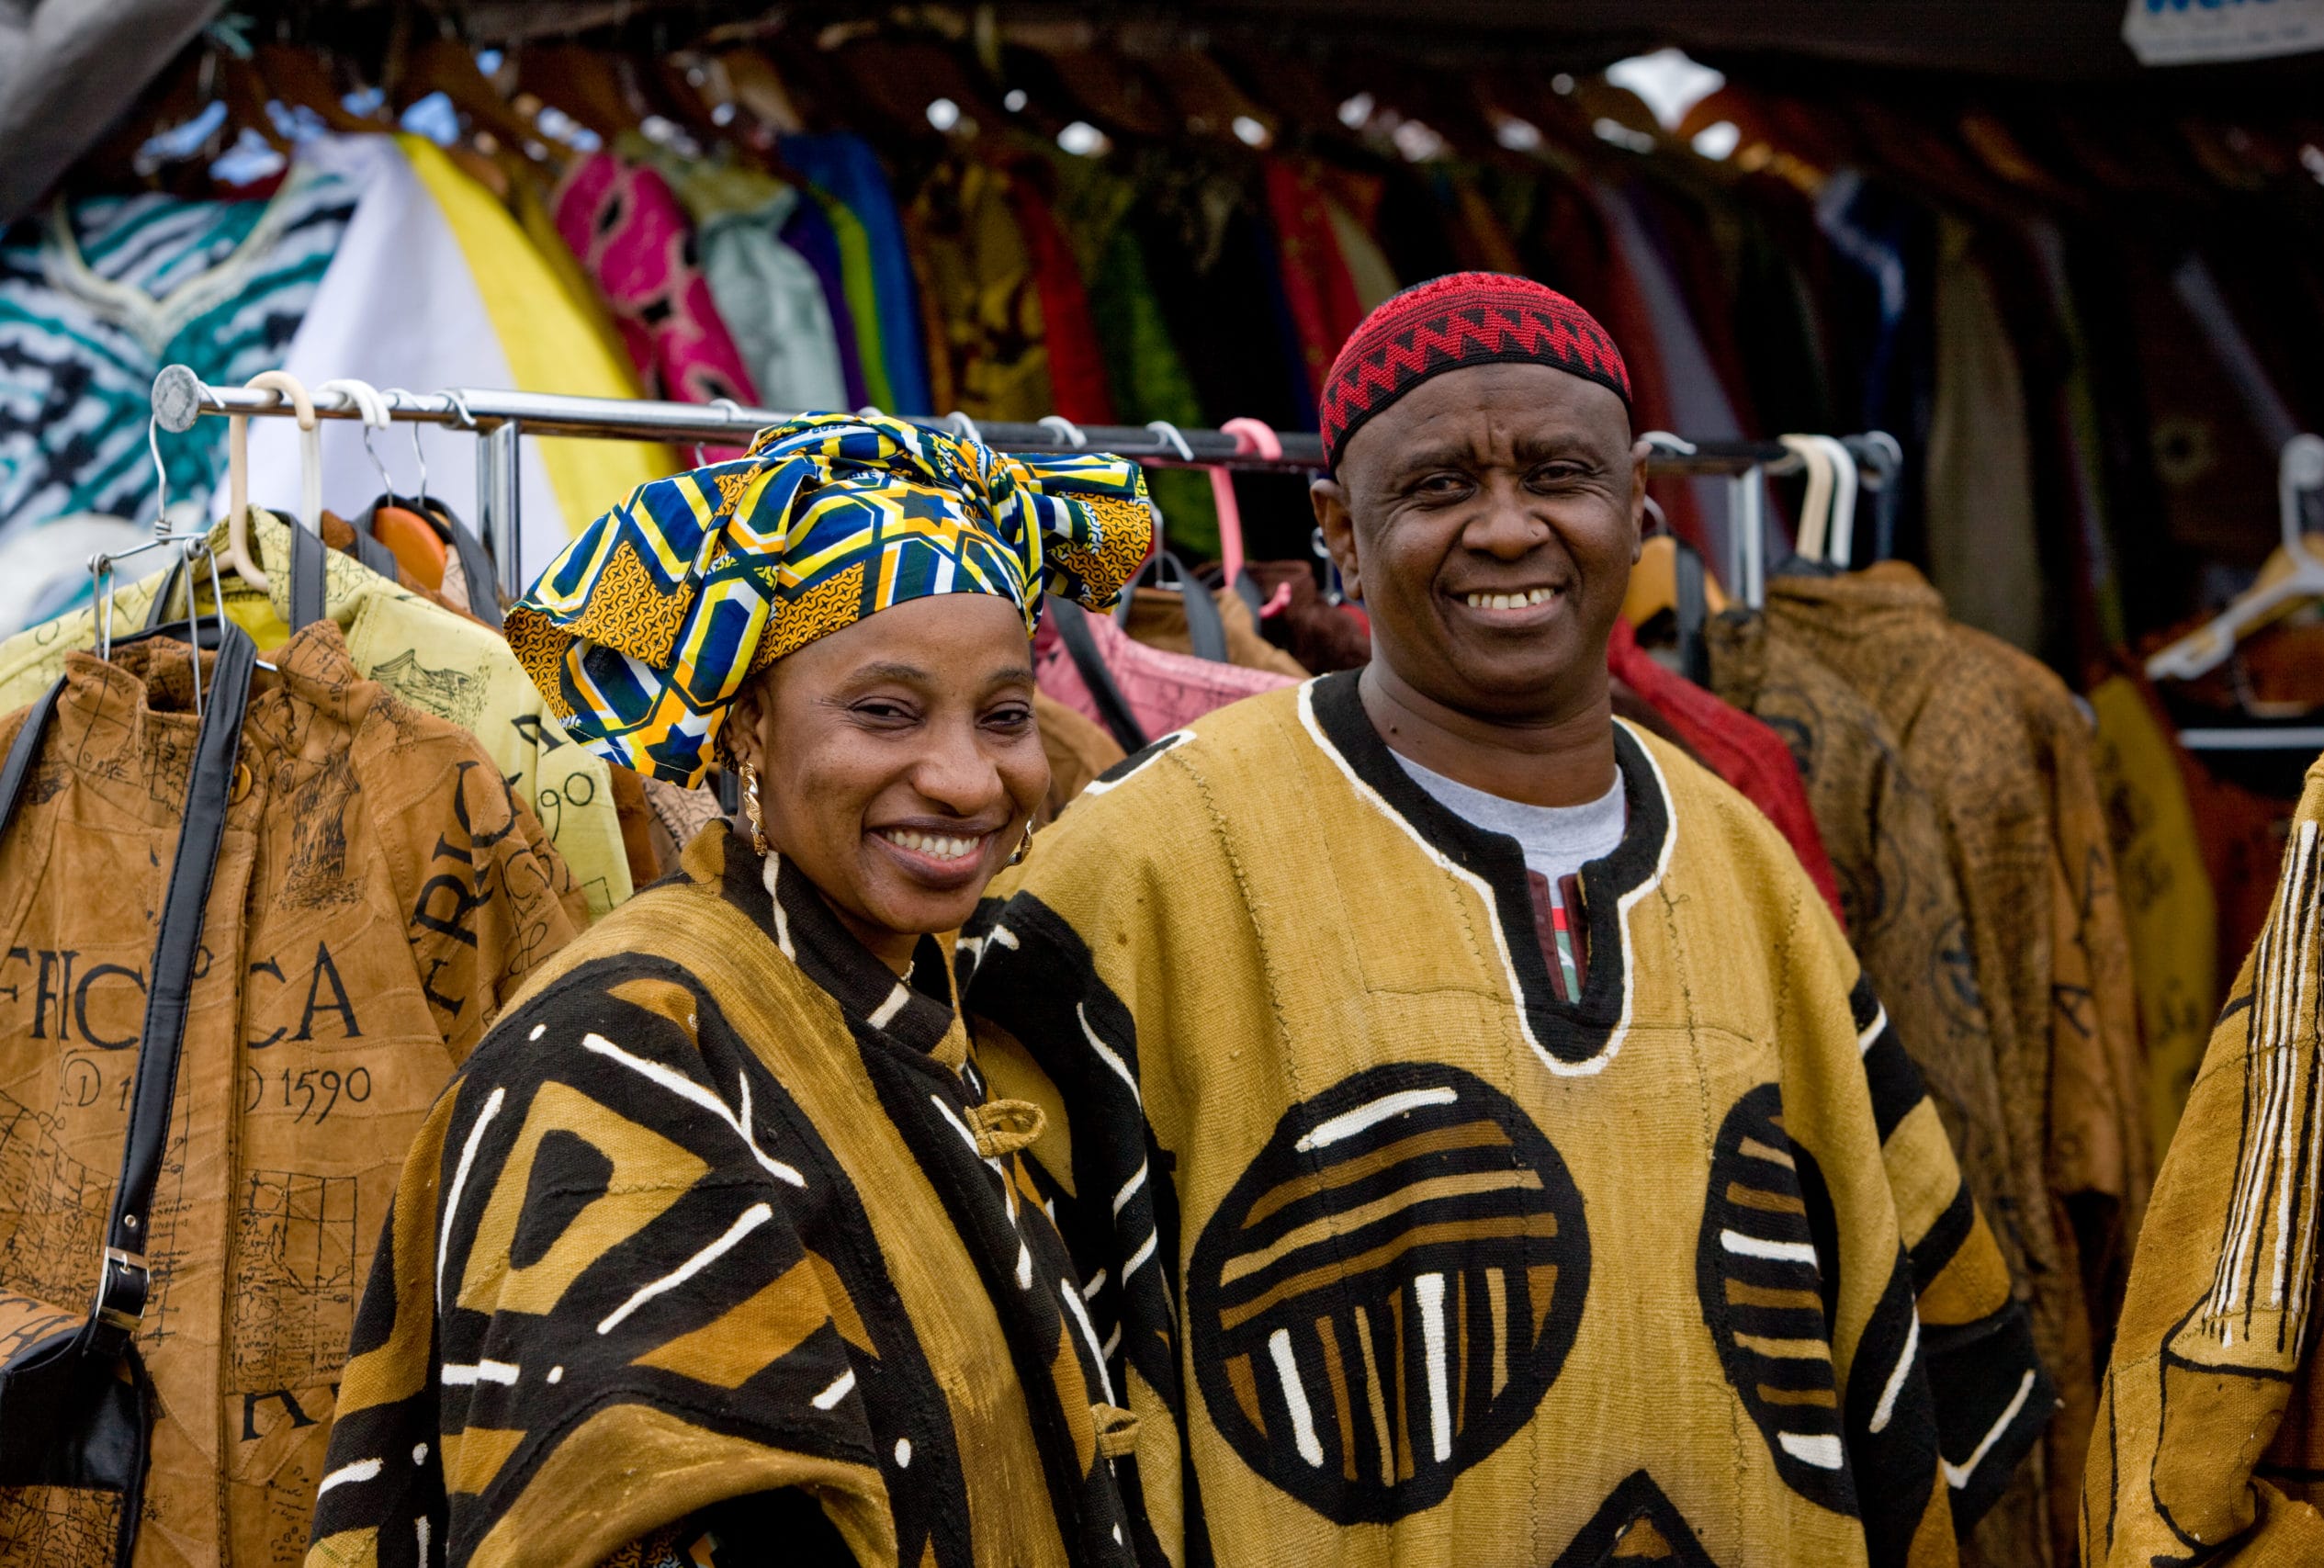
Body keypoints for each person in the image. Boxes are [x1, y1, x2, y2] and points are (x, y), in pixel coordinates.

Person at [959, 274, 2051, 1566]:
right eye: (1434, 488)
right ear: (1339, 532)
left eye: (1557, 473)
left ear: (1638, 507)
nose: (1505, 527)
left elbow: (1914, 1318)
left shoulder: (1748, 868)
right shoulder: (1156, 854)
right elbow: (1014, 1347)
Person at [303, 414, 1153, 1568]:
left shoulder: (926, 1006)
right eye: (885, 713)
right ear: (746, 723)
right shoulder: (627, 1051)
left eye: (1003, 718)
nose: (965, 778)